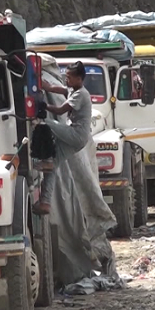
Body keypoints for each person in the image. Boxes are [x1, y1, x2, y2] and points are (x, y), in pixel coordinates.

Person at [34, 61, 93, 215]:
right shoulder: (72, 90)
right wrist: (40, 82)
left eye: (69, 77)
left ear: (79, 79)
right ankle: (45, 203)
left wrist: (43, 106)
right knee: (52, 166)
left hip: (76, 135)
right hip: (77, 137)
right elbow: (54, 88)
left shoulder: (81, 94)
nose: (67, 80)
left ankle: (43, 159)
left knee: (44, 123)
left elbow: (60, 111)